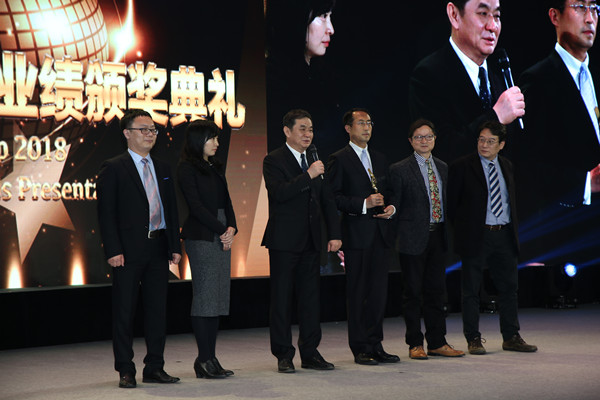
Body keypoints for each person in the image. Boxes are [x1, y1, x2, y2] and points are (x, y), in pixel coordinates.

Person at [96, 109, 181, 388]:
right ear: (127, 133)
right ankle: (125, 368)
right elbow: (106, 213)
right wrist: (113, 249)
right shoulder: (114, 167)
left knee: (157, 311)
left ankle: (155, 366)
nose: (150, 134)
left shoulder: (163, 168)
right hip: (127, 251)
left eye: (153, 130)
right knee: (125, 311)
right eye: (143, 129)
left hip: (158, 247)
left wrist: (174, 245)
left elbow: (171, 209)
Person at [262, 109, 342, 373]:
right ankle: (283, 354)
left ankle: (310, 352)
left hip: (312, 240)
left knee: (310, 300)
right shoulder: (273, 159)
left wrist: (334, 233)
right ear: (287, 131)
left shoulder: (314, 158)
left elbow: (327, 199)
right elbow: (279, 193)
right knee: (282, 300)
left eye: (311, 129)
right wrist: (308, 175)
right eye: (302, 129)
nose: (308, 134)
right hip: (284, 241)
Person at [448, 121, 537, 355]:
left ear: (501, 145)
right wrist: (465, 231)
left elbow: (509, 201)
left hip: (504, 234)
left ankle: (511, 336)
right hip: (476, 235)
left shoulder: (507, 165)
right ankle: (473, 338)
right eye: (481, 140)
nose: (484, 145)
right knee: (471, 290)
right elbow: (452, 206)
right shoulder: (462, 166)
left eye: (490, 141)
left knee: (509, 288)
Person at [409, 0, 525, 163]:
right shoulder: (428, 76)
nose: (493, 26)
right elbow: (438, 153)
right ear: (454, 15)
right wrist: (495, 117)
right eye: (483, 14)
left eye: (497, 16)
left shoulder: (500, 77)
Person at [326, 108, 399, 365]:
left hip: (381, 234)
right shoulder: (339, 159)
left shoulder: (379, 157)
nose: (367, 127)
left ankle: (376, 344)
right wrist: (363, 204)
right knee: (358, 293)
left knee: (378, 293)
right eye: (361, 123)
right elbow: (333, 198)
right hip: (356, 235)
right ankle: (360, 347)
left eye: (369, 123)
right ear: (348, 128)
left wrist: (391, 207)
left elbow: (390, 190)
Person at [389, 119, 465, 360]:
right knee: (412, 293)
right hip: (412, 238)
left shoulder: (443, 167)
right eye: (419, 137)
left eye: (428, 136)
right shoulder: (399, 169)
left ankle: (437, 342)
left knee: (436, 292)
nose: (424, 141)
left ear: (435, 139)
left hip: (438, 236)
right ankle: (414, 343)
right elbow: (395, 204)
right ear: (410, 141)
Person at [519, 0, 600, 210]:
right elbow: (530, 168)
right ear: (555, 16)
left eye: (594, 8)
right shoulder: (537, 81)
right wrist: (587, 184)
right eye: (580, 7)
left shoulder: (595, 74)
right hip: (573, 219)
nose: (590, 18)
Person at [177, 120, 237, 379]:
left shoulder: (214, 167)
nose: (216, 143)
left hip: (221, 233)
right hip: (203, 236)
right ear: (197, 140)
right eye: (211, 138)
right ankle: (203, 359)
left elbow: (227, 201)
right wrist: (222, 229)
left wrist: (232, 227)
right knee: (205, 298)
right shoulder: (186, 168)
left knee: (217, 298)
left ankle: (211, 358)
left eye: (217, 138)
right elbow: (196, 207)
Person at [266, 0, 343, 158]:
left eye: (330, 17)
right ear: (297, 18)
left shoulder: (323, 78)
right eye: (322, 16)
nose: (331, 29)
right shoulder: (274, 79)